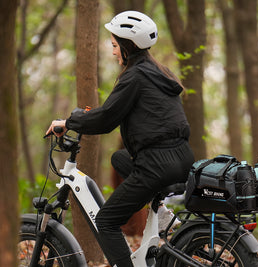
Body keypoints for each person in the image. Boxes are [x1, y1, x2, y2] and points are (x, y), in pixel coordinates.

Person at [46, 11, 195, 267]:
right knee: (120, 158)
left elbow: (107, 119)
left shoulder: (134, 76)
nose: (113, 51)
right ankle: (160, 211)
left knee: (106, 221)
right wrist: (84, 116)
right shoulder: (161, 72)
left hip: (156, 164)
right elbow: (115, 111)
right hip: (181, 157)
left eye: (115, 45)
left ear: (127, 46)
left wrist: (68, 123)